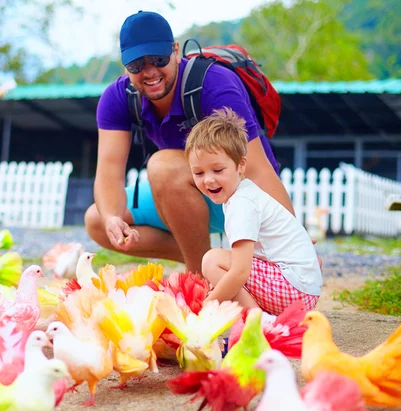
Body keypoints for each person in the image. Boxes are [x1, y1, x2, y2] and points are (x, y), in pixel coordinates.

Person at [85, 10, 293, 274]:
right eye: (137, 65)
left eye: (158, 59)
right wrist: (112, 217)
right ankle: (208, 260)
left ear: (175, 50)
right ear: (125, 66)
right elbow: (108, 173)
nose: (149, 72)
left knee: (163, 166)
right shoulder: (117, 98)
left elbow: (257, 169)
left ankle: (199, 278)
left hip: (239, 198)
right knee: (97, 219)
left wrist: (292, 242)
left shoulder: (214, 83)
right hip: (186, 200)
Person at [185, 107, 322, 314]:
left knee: (213, 261)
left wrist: (205, 309)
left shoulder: (242, 203)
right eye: (198, 173)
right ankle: (261, 316)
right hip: (302, 287)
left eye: (218, 170)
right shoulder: (244, 194)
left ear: (241, 165)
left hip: (293, 289)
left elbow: (240, 272)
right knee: (221, 276)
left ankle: (258, 322)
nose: (209, 179)